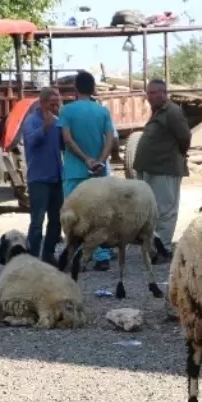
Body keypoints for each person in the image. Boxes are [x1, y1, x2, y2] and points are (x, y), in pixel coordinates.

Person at [57, 70, 115, 271]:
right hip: (98, 173)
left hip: (75, 170)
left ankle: (74, 256)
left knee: (73, 215)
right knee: (99, 215)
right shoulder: (103, 111)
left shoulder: (67, 111)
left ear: (75, 88)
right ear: (93, 89)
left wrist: (84, 159)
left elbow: (66, 138)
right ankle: (102, 255)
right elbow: (110, 139)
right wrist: (99, 160)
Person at [132, 79, 191, 264]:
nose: (150, 97)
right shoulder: (158, 111)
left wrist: (178, 153)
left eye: (154, 93)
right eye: (148, 93)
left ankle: (163, 248)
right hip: (150, 168)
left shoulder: (172, 111)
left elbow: (185, 137)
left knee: (165, 210)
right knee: (151, 210)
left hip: (165, 168)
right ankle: (152, 246)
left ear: (164, 92)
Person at [20, 87, 64, 264]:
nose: (55, 107)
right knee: (37, 221)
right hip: (38, 179)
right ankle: (32, 259)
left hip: (56, 178)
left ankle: (48, 255)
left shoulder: (58, 121)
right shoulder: (31, 121)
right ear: (42, 103)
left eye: (57, 104)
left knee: (56, 220)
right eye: (52, 104)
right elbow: (30, 142)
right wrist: (44, 128)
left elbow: (64, 145)